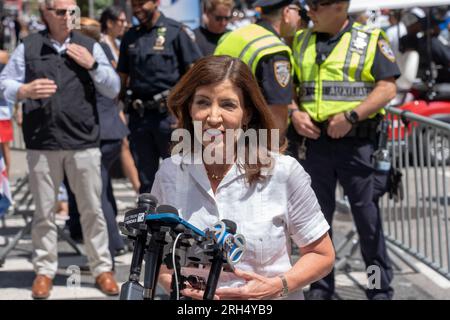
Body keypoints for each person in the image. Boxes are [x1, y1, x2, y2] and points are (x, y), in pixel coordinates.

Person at [152, 55, 335, 300]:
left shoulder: (283, 172)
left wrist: (276, 286)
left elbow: (322, 255)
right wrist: (180, 287)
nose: (213, 117)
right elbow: (160, 263)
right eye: (203, 102)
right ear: (189, 108)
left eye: (227, 105)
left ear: (246, 114)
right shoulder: (169, 174)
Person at [0, 0, 120, 299]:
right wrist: (23, 91)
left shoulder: (88, 46)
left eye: (72, 11)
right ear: (45, 14)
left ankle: (102, 268)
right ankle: (44, 270)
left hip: (83, 141)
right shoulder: (29, 46)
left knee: (92, 210)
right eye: (60, 11)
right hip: (43, 141)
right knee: (44, 213)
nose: (68, 16)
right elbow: (5, 82)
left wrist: (92, 66)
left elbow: (113, 87)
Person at [290, 0, 400, 300]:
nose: (308, 10)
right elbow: (289, 87)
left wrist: (352, 117)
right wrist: (294, 112)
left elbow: (388, 87)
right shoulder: (301, 39)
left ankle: (378, 288)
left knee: (368, 223)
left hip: (356, 144)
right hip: (314, 144)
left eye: (316, 4)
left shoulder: (370, 39)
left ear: (339, 6)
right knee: (315, 224)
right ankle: (321, 288)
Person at [117, 0, 203, 193]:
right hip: (140, 119)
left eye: (142, 3)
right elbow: (121, 79)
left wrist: (185, 114)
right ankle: (150, 221)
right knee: (147, 181)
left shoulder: (176, 32)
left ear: (156, 2)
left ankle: (179, 221)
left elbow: (195, 77)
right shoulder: (130, 36)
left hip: (170, 118)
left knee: (179, 178)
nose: (138, 8)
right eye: (134, 4)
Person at [64, 17, 130, 259]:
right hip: (111, 129)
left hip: (98, 131)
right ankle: (114, 239)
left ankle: (112, 244)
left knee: (96, 192)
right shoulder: (102, 50)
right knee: (104, 189)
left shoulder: (84, 54)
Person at [214, 0, 301, 133]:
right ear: (286, 13)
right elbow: (277, 112)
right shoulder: (274, 50)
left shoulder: (231, 35)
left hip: (218, 126)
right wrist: (275, 149)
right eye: (298, 12)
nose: (300, 18)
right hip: (252, 138)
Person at [100, 5, 141, 193]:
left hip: (120, 99)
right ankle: (139, 189)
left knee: (124, 144)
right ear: (109, 23)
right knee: (123, 143)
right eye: (121, 21)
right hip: (110, 102)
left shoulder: (117, 41)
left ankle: (138, 188)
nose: (125, 24)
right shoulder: (102, 43)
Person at [0, 50, 12, 177]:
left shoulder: (3, 56)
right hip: (3, 111)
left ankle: (5, 182)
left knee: (5, 148)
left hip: (2, 112)